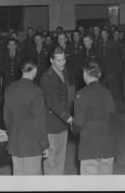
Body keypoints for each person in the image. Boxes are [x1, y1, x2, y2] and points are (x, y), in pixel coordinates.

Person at [4, 61, 49, 175]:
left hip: (15, 140)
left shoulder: (10, 88)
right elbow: (40, 121)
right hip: (32, 143)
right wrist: (44, 145)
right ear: (34, 71)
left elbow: (6, 117)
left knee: (18, 178)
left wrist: (11, 133)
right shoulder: (36, 91)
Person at [73, 61, 116, 175]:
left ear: (85, 74)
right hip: (107, 147)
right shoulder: (107, 93)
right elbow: (112, 116)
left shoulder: (81, 94)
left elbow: (78, 124)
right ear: (99, 74)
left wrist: (73, 128)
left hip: (89, 148)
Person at [40, 47, 73, 175]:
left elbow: (65, 98)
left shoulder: (65, 72)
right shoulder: (46, 78)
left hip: (63, 123)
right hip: (51, 124)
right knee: (50, 159)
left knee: (61, 157)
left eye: (64, 59)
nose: (62, 63)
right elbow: (52, 103)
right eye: (59, 60)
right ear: (51, 61)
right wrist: (68, 117)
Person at [98, 29, 122, 102]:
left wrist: (117, 70)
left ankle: (112, 105)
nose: (103, 35)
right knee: (103, 88)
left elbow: (117, 58)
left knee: (111, 88)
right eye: (102, 34)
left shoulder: (112, 43)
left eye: (105, 34)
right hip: (102, 70)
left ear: (108, 35)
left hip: (111, 70)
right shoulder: (100, 44)